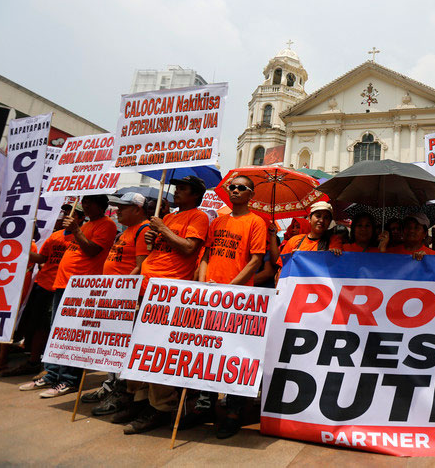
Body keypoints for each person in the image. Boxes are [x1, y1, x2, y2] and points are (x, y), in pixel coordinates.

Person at [120, 176, 209, 435]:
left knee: (157, 353)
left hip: (168, 296)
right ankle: (138, 400)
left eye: (182, 189)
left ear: (195, 195)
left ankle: (161, 407)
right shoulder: (167, 218)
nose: (175, 192)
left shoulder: (198, 217)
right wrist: (154, 236)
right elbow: (158, 248)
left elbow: (189, 248)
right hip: (145, 291)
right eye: (176, 187)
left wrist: (163, 229)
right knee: (138, 351)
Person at [19, 195, 116, 398]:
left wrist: (77, 230)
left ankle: (69, 380)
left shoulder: (106, 225)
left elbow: (91, 251)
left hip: (82, 287)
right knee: (57, 333)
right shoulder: (87, 225)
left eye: (89, 202)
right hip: (63, 284)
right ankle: (52, 374)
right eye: (85, 201)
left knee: (73, 335)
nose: (85, 205)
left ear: (101, 205)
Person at [195, 174, 267, 439]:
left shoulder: (256, 222)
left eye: (241, 188)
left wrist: (229, 287)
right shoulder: (218, 221)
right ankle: (205, 404)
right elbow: (206, 255)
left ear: (251, 195)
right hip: (210, 298)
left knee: (235, 356)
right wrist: (203, 286)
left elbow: (255, 261)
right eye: (231, 187)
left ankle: (234, 412)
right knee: (207, 353)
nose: (234, 191)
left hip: (237, 300)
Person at [82, 192, 149, 416]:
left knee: (122, 347)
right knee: (111, 345)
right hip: (114, 296)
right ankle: (110, 384)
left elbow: (142, 266)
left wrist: (124, 291)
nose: (118, 210)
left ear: (138, 209)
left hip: (127, 298)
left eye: (123, 207)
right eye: (117, 206)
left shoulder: (144, 229)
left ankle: (121, 394)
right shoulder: (126, 231)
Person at [3, 205, 84, 377]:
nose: (65, 216)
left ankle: (48, 367)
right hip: (42, 284)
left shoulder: (82, 237)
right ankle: (35, 361)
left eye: (72, 213)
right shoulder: (55, 236)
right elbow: (43, 258)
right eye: (64, 212)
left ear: (80, 218)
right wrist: (23, 250)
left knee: (52, 327)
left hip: (62, 287)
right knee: (37, 325)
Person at [278, 201, 343, 272]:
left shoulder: (334, 241)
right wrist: (291, 260)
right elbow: (281, 270)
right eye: (318, 216)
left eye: (326, 218)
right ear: (309, 218)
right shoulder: (294, 241)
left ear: (330, 222)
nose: (321, 220)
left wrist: (333, 254)